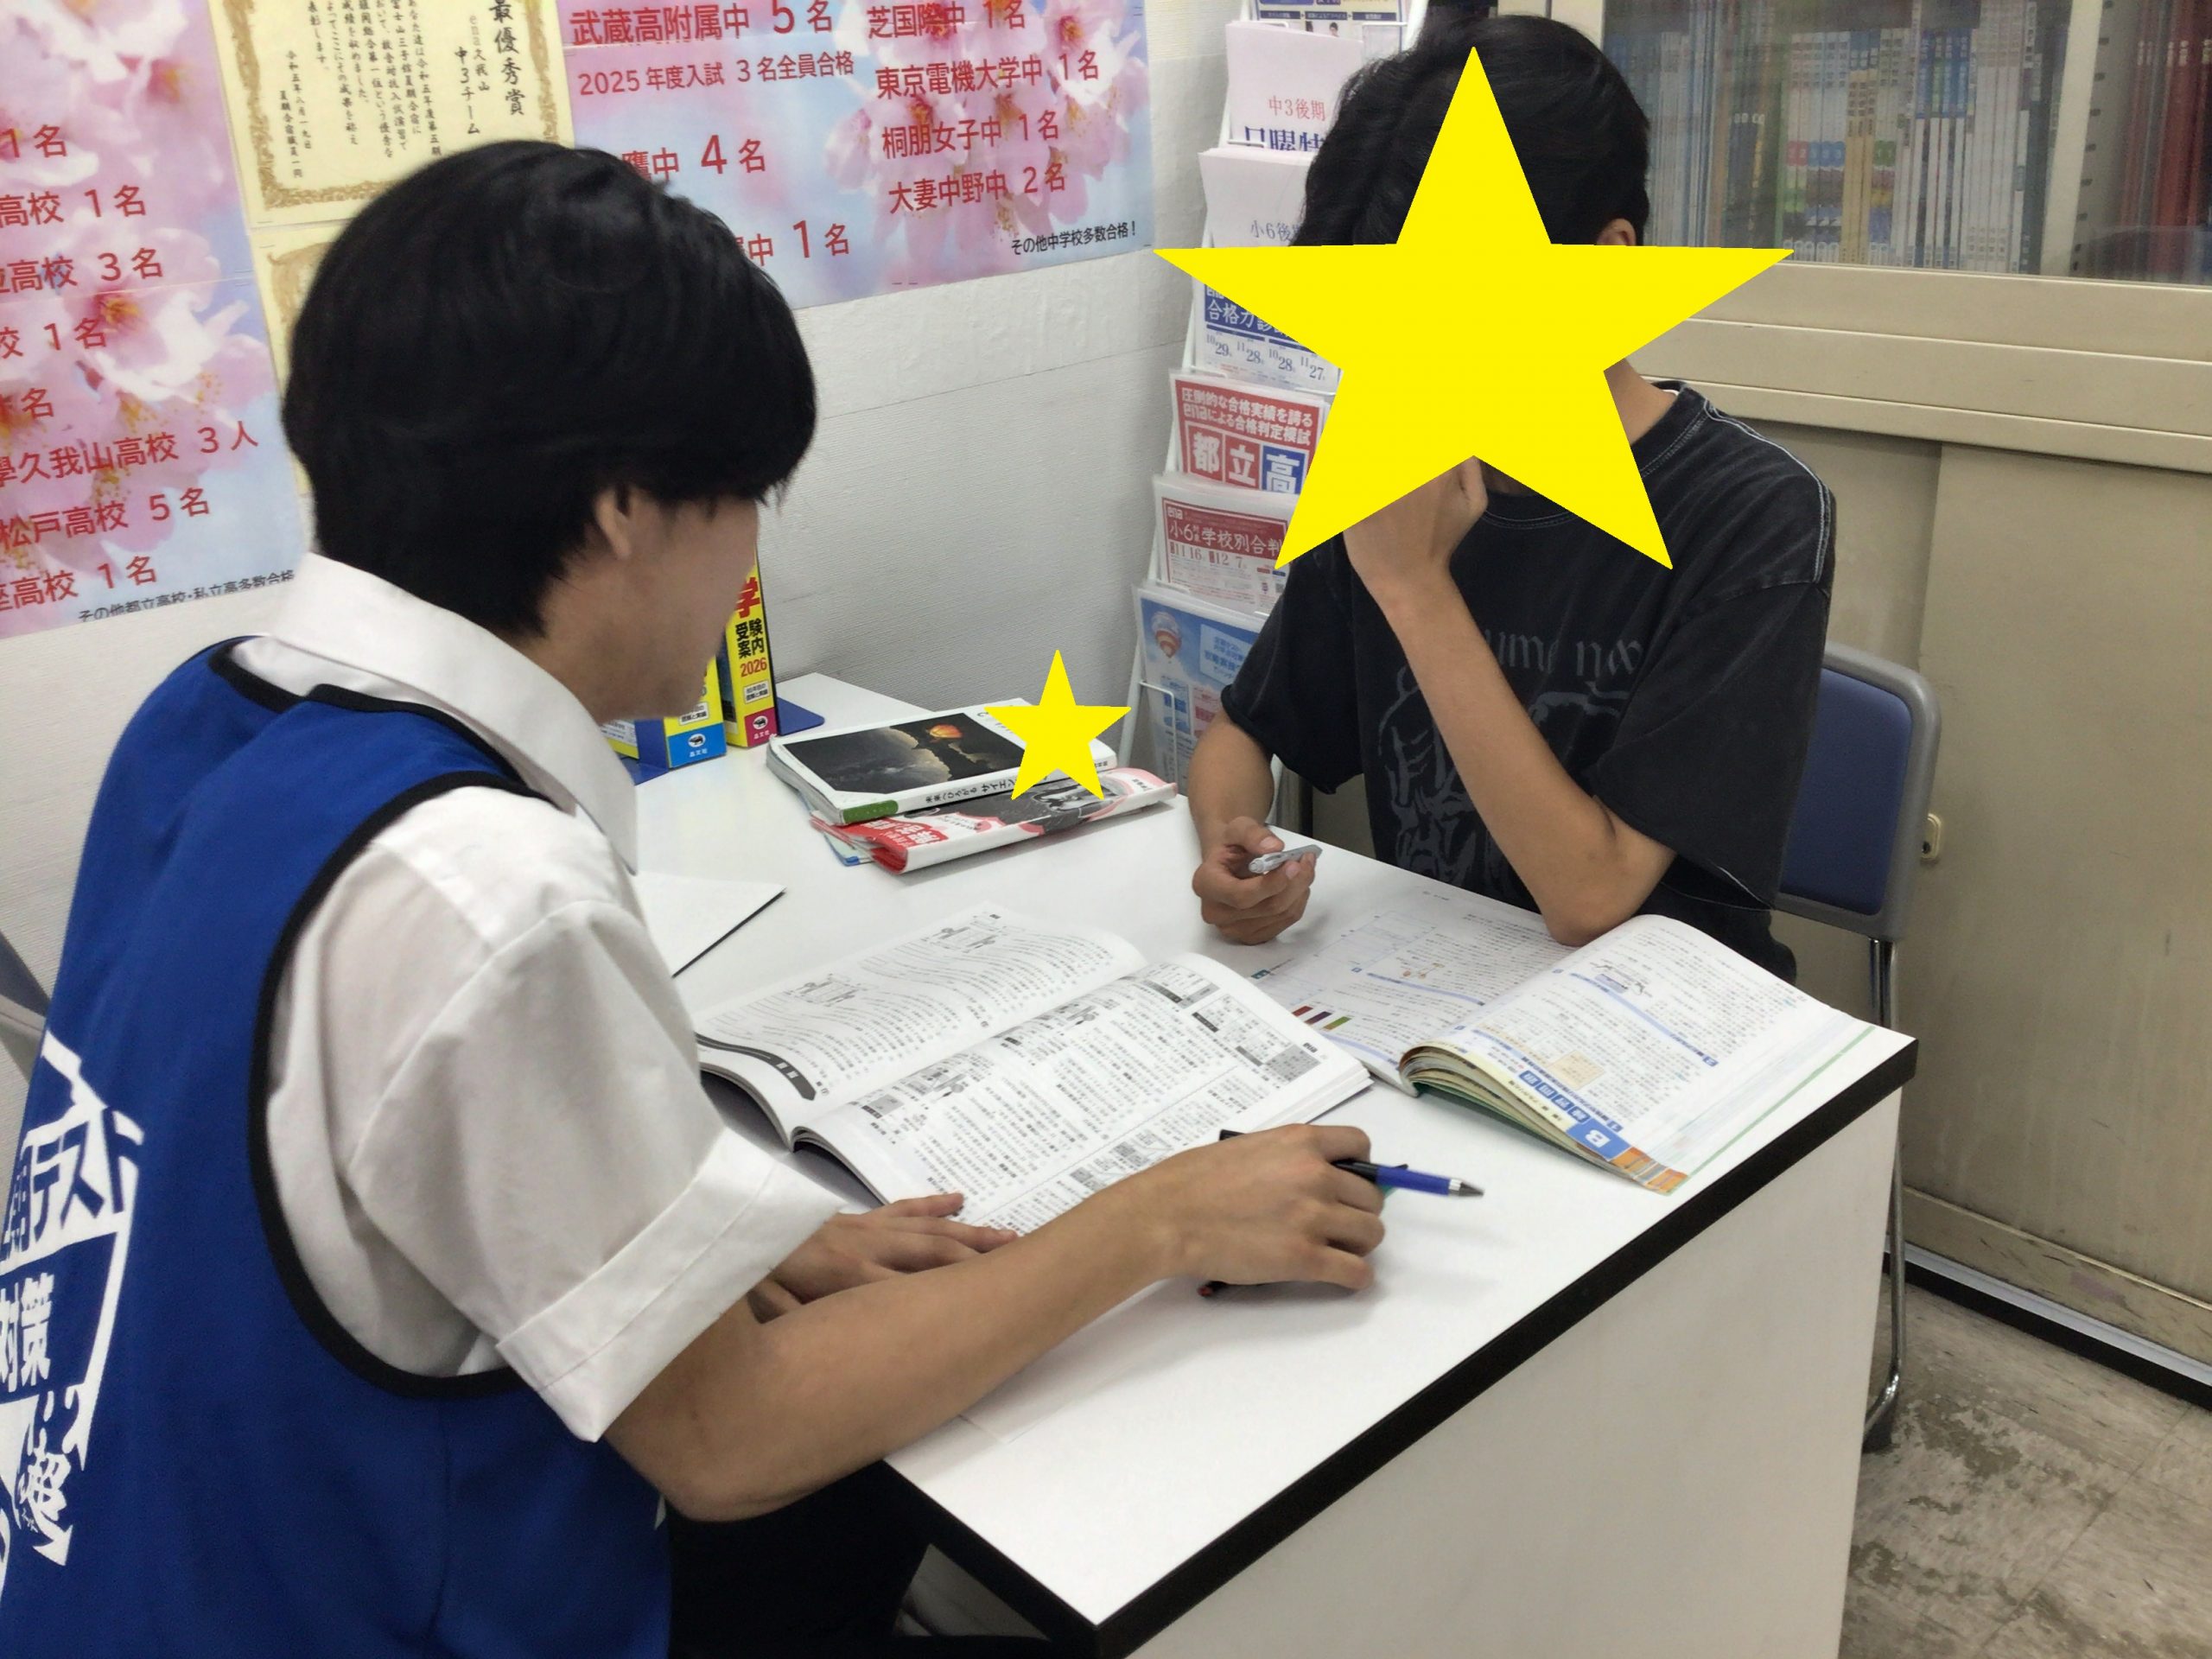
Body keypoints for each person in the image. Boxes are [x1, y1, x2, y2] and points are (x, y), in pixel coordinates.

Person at [0, 143, 1388, 1658]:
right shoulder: (486, 892)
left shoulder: (208, 714)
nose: (746, 565)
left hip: (119, 1572)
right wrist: (1157, 1218)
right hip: (373, 1606)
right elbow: (728, 1443)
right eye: (743, 503)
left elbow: (361, 1158)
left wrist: (749, 1237)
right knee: (894, 1497)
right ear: (623, 511)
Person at [1189, 16, 1835, 982]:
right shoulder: (1403, 470)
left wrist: (1416, 588)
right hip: (1429, 988)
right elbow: (1247, 732)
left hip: (1651, 1011)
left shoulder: (1750, 513)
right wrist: (1232, 843)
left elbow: (1591, 898)